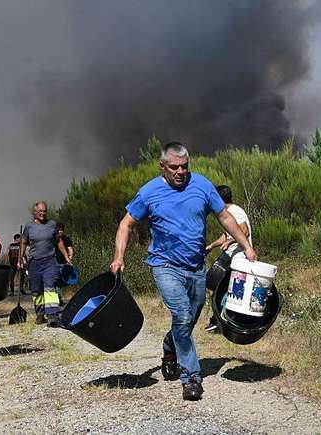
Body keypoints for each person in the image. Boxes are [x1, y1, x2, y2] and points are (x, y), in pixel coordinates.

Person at [109, 142, 256, 401]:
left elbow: (224, 217)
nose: (180, 172)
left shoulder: (201, 185)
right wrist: (118, 256)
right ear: (162, 167)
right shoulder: (149, 192)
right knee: (182, 314)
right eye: (174, 167)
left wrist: (246, 247)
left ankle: (169, 345)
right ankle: (191, 378)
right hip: (165, 266)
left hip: (197, 266)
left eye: (184, 167)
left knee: (188, 320)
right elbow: (126, 224)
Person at [203, 185, 253, 333]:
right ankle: (219, 319)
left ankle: (221, 322)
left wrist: (230, 242)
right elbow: (228, 234)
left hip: (237, 255)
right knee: (213, 284)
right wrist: (212, 245)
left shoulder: (234, 211)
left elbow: (244, 230)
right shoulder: (229, 212)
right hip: (230, 254)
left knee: (214, 284)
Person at [17, 201, 72, 327]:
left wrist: (66, 257)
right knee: (36, 290)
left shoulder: (52, 224)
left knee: (50, 286)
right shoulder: (29, 226)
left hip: (50, 261)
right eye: (40, 211)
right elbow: (24, 243)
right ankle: (40, 314)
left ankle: (52, 315)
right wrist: (20, 259)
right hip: (34, 262)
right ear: (35, 212)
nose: (42, 213)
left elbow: (59, 242)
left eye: (44, 211)